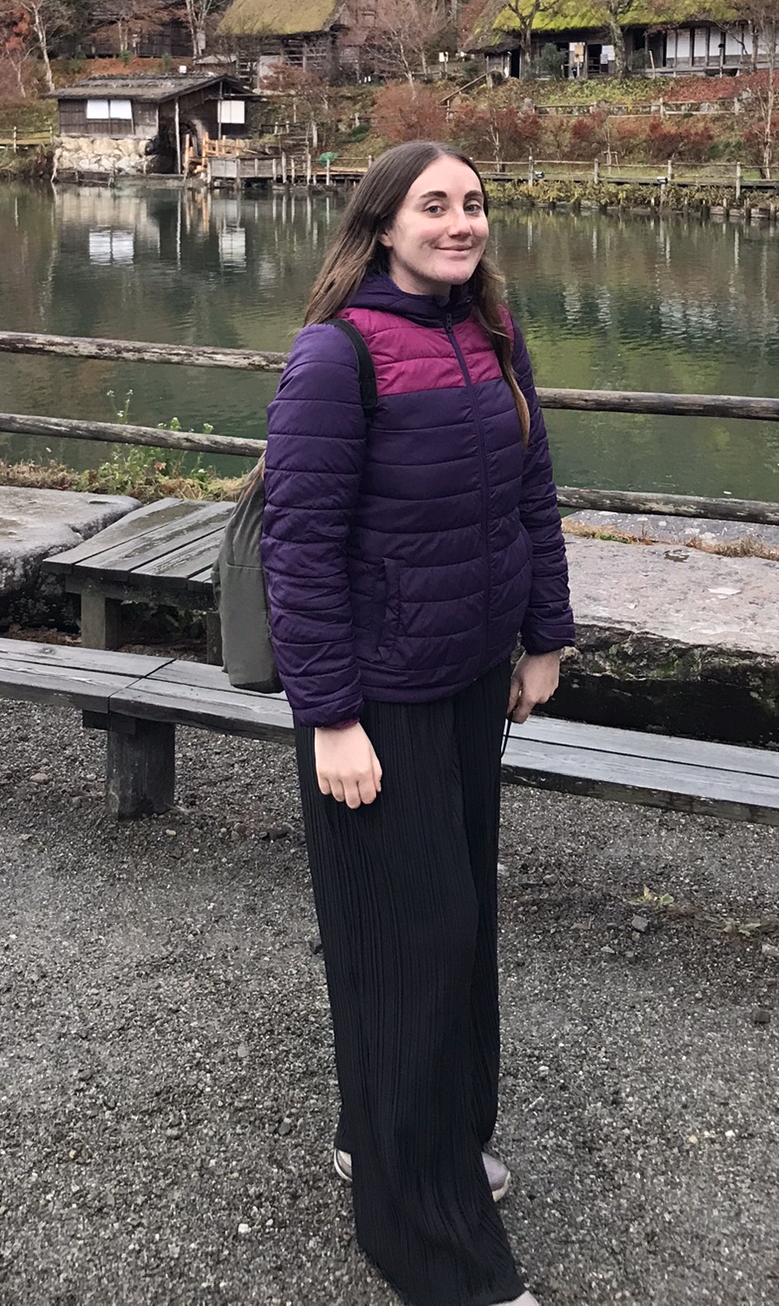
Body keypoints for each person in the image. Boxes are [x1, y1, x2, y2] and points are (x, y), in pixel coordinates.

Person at [260, 139, 574, 1306]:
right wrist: (331, 718)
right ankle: (433, 1244)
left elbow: (532, 495)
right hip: (377, 700)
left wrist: (543, 634)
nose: (461, 221)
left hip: (465, 683)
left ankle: (401, 1139)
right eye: (434, 204)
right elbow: (298, 548)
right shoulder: (337, 355)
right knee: (416, 938)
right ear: (382, 224)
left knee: (454, 923)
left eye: (475, 202)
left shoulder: (491, 336)